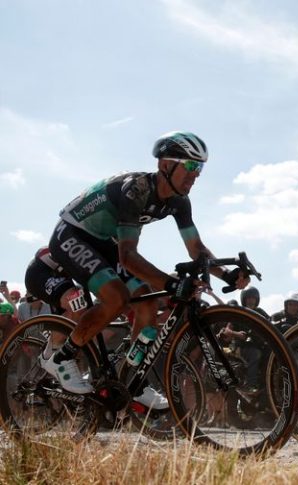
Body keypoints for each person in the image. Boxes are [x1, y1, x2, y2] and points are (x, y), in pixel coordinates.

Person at [33, 131, 249, 404]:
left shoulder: (179, 201)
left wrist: (227, 273)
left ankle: (132, 379)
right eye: (191, 166)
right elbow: (128, 257)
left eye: (201, 167)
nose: (196, 174)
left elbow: (197, 250)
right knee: (116, 297)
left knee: (146, 304)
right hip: (72, 235)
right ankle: (60, 358)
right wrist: (170, 284)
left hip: (105, 243)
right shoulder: (136, 191)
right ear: (165, 165)